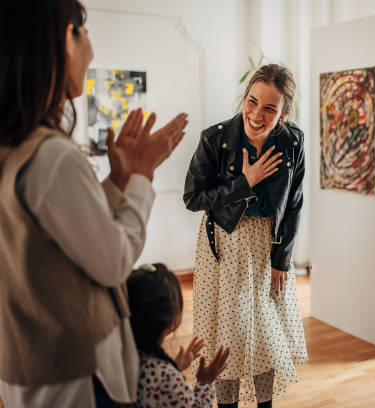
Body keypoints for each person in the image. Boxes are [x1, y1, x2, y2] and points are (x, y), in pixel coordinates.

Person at [0, 1, 188, 407]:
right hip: (77, 376)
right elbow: (114, 260)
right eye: (84, 32)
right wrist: (142, 175)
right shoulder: (52, 156)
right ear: (64, 40)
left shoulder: (15, 148)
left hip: (28, 367)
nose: (91, 50)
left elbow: (57, 233)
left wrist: (119, 179)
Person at [184, 64, 308, 408]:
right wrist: (244, 183)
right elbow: (192, 197)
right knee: (227, 336)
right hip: (224, 246)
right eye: (252, 101)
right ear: (244, 97)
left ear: (283, 112)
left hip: (269, 249)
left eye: (270, 107)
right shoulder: (215, 138)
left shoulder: (292, 140)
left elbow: (295, 203)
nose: (257, 114)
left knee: (266, 338)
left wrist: (283, 261)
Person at [126, 263, 230, 408]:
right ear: (172, 319)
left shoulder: (121, 357)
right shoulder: (166, 379)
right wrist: (205, 383)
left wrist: (175, 366)